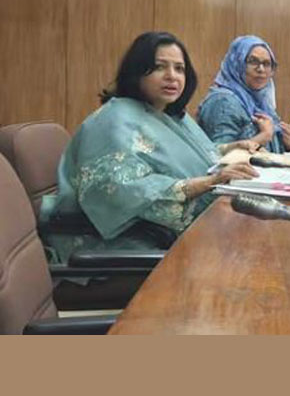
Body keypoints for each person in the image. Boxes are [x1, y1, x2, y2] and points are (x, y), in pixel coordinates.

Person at [45, 32, 259, 262]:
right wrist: (208, 182)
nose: (172, 76)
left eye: (179, 68)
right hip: (122, 241)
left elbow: (189, 156)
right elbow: (120, 190)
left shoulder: (169, 114)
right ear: (136, 71)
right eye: (159, 67)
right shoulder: (113, 119)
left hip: (165, 234)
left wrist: (231, 148)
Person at [197, 35, 290, 154]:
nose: (261, 69)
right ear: (237, 63)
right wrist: (263, 136)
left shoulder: (260, 102)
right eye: (253, 61)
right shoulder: (222, 102)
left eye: (267, 63)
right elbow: (216, 156)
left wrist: (288, 145)